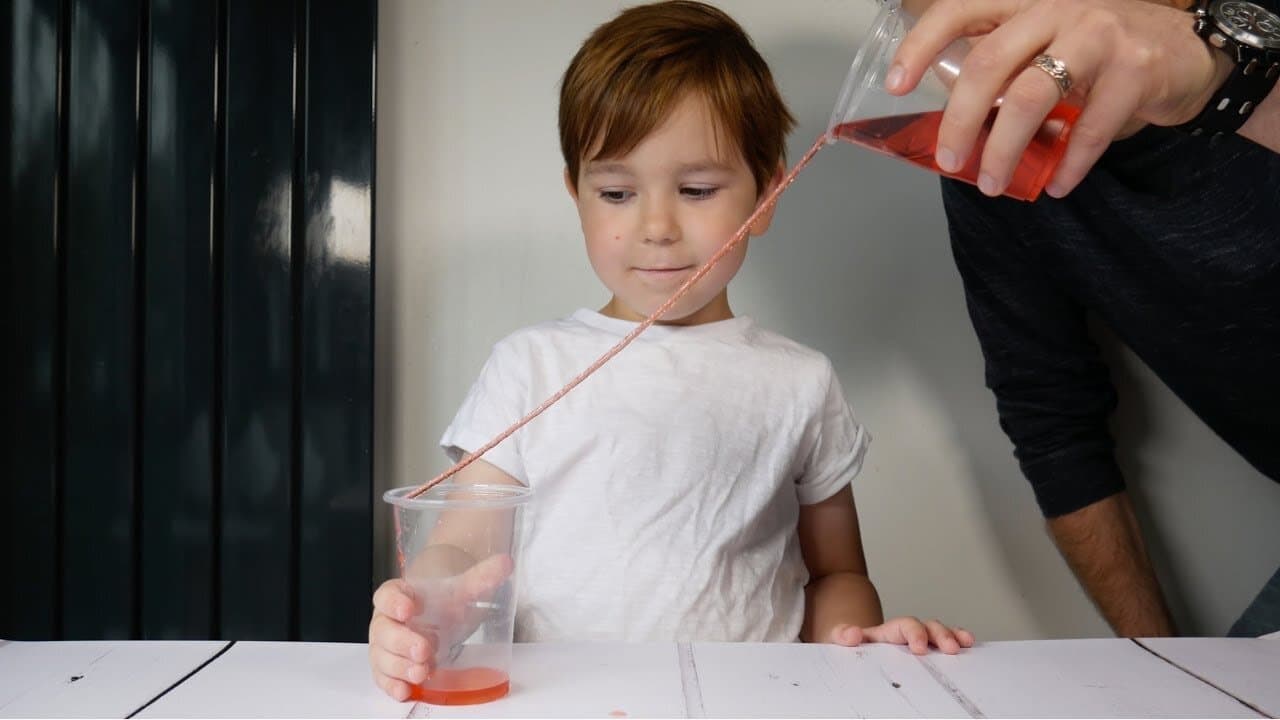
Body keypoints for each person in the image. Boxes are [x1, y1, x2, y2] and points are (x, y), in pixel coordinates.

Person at [368, 0, 972, 702]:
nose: (656, 226)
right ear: (577, 195)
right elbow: (467, 546)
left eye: (696, 189)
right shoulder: (528, 366)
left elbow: (838, 574)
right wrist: (429, 606)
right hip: (563, 703)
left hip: (753, 702)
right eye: (618, 192)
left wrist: (856, 647)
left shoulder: (801, 383)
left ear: (768, 192)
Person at [889, 0, 1280, 637]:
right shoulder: (999, 162)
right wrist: (1161, 667)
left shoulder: (1250, 33)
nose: (1009, 65)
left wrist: (1226, 83)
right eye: (960, 38)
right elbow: (1053, 424)